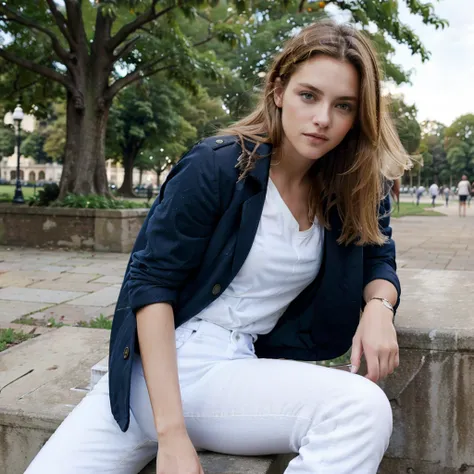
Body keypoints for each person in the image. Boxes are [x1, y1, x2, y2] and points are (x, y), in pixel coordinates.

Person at [26, 20, 409, 474]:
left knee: (359, 409)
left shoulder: (353, 188)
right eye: (309, 95)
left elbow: (378, 255)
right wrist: (171, 436)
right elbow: (150, 286)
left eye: (342, 105)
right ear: (278, 90)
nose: (323, 118)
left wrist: (379, 308)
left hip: (232, 371)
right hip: (159, 365)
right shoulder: (218, 165)